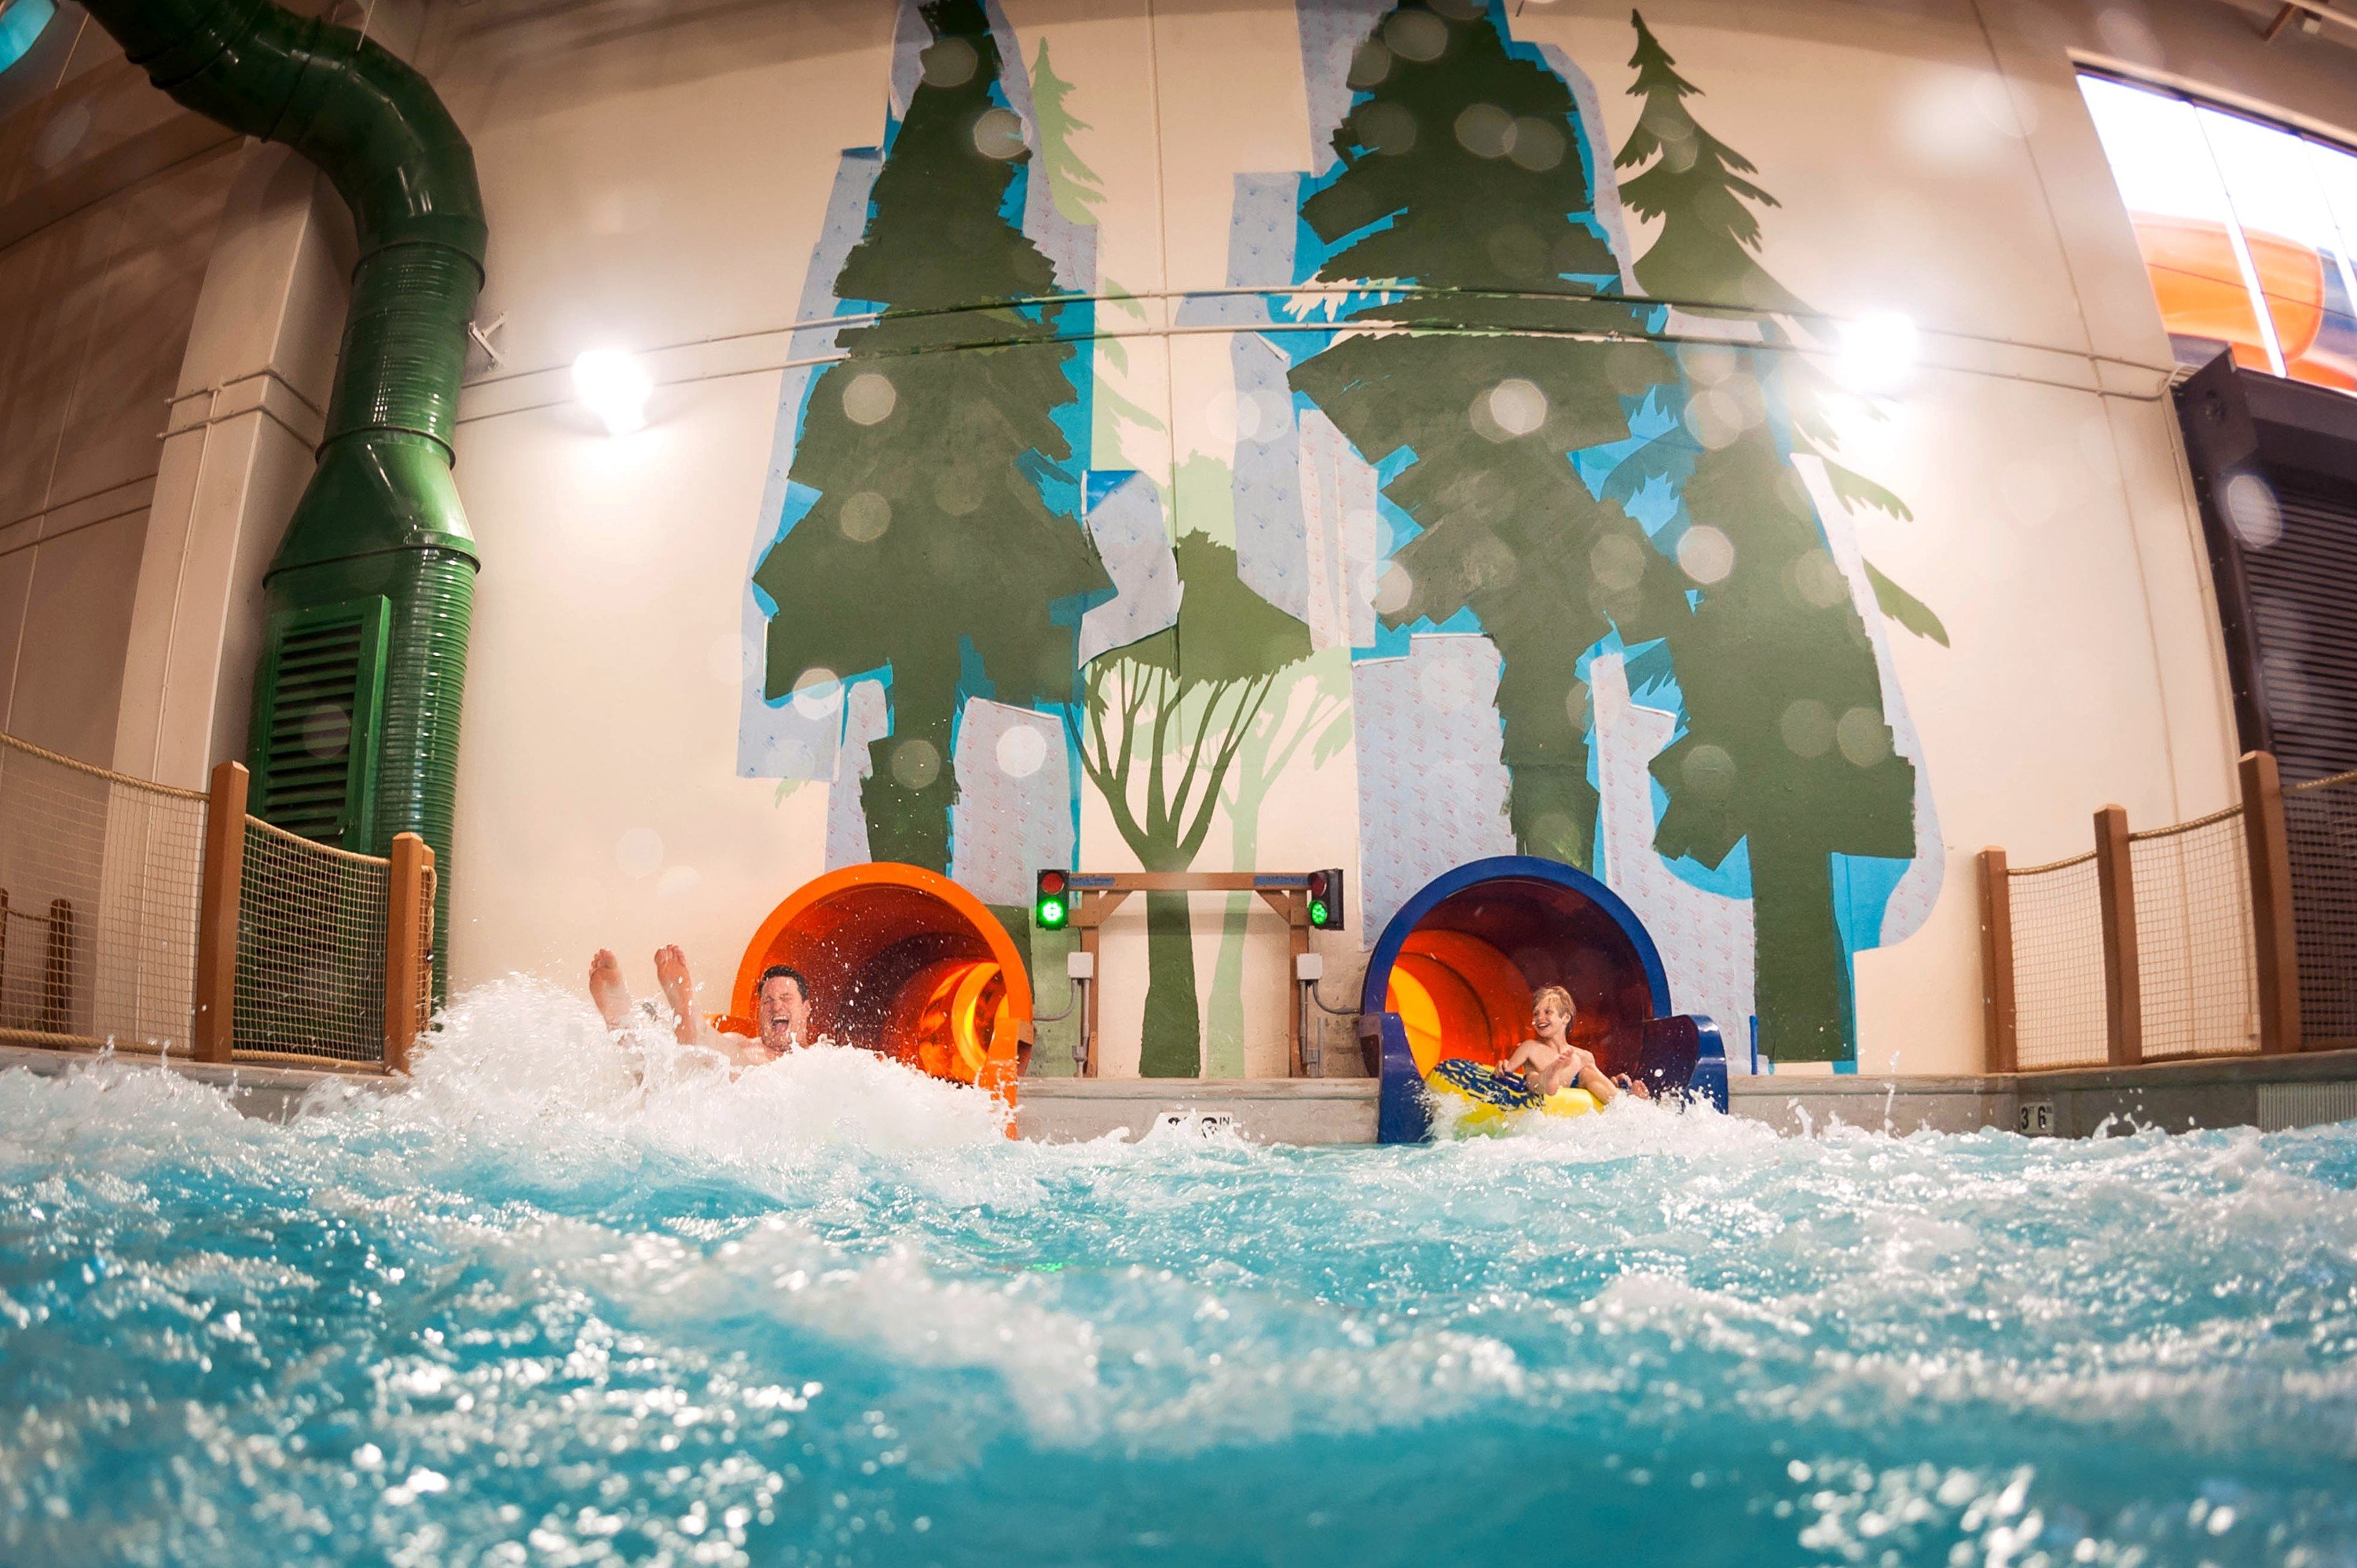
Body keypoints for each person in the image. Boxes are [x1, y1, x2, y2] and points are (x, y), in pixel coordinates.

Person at [588, 947, 815, 1068]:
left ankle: (690, 1022)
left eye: (786, 998)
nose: (776, 1006)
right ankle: (621, 1020)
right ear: (759, 1013)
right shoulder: (738, 1042)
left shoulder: (817, 1060)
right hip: (699, 1097)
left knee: (729, 1064)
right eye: (767, 1001)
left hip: (746, 1098)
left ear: (806, 1009)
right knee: (659, 1064)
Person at [1497, 985, 1648, 1105]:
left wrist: (1613, 1084)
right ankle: (1550, 1077)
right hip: (1537, 1086)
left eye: (1547, 1012)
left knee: (1587, 1072)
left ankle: (1624, 1099)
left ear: (1565, 1018)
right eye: (1536, 1014)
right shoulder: (1530, 1047)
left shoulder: (1583, 1057)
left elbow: (1595, 1090)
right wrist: (1502, 1066)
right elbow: (1505, 1073)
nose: (1539, 1018)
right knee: (1532, 1077)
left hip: (1570, 1098)